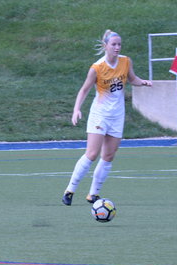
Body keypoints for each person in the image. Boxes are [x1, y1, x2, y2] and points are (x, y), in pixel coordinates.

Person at [62, 29, 152, 206]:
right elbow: (84, 90)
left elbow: (132, 79)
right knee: (92, 154)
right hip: (100, 114)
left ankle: (93, 194)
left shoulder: (126, 61)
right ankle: (70, 190)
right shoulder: (97, 68)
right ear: (106, 46)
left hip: (117, 115)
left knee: (109, 155)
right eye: (113, 44)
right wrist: (76, 109)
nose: (117, 47)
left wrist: (143, 82)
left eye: (119, 44)